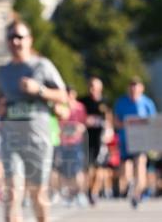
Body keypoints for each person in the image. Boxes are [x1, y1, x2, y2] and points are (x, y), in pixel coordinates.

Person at [0, 19, 67, 222]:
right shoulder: (2, 72)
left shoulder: (42, 65)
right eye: (11, 37)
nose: (16, 41)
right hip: (11, 138)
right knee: (12, 193)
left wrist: (39, 90)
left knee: (38, 194)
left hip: (38, 138)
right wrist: (0, 108)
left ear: (30, 40)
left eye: (20, 37)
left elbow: (63, 96)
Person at [113, 77, 157, 208]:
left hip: (141, 141)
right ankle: (130, 185)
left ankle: (137, 193)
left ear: (141, 89)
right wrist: (126, 124)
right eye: (131, 88)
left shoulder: (147, 103)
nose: (133, 91)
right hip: (126, 141)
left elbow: (153, 122)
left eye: (136, 88)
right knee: (126, 169)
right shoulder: (121, 102)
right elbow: (115, 121)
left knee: (140, 164)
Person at [79, 76, 110, 205]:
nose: (92, 89)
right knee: (88, 168)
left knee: (99, 168)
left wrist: (109, 131)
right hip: (86, 139)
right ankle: (87, 191)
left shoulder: (105, 101)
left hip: (100, 139)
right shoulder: (83, 101)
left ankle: (94, 192)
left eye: (95, 86)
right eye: (90, 86)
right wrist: (85, 121)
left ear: (100, 88)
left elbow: (109, 118)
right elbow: (78, 116)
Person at [57, 87, 88, 205]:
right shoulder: (60, 106)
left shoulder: (80, 107)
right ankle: (68, 194)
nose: (70, 96)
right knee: (65, 171)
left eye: (71, 94)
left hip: (76, 143)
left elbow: (83, 124)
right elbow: (58, 124)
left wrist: (78, 128)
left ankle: (80, 193)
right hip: (63, 142)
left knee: (77, 170)